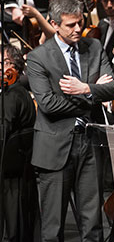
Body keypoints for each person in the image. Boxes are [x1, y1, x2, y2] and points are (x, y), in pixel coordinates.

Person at [26, 0, 114, 242]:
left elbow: (113, 88)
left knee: (93, 224)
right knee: (53, 227)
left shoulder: (94, 47)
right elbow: (48, 104)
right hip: (54, 147)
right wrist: (91, 94)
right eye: (71, 25)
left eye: (80, 22)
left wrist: (84, 88)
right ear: (54, 24)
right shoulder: (39, 57)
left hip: (90, 144)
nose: (78, 29)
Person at [1, 44, 36, 242]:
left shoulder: (12, 95)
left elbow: (3, 130)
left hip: (11, 172)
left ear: (11, 67)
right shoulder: (16, 91)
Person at [20, 0, 87, 44]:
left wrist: (37, 15)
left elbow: (57, 38)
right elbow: (42, 40)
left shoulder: (75, 16)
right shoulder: (53, 9)